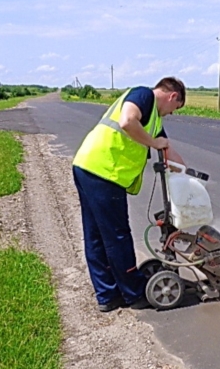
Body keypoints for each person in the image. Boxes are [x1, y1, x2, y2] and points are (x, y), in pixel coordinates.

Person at [72, 76, 187, 312]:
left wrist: (187, 175)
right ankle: (133, 294)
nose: (172, 114)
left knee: (96, 235)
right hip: (104, 171)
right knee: (118, 236)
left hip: (88, 166)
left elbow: (168, 149)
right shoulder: (143, 95)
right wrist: (154, 144)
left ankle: (108, 295)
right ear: (173, 96)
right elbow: (127, 122)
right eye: (175, 108)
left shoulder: (153, 119)